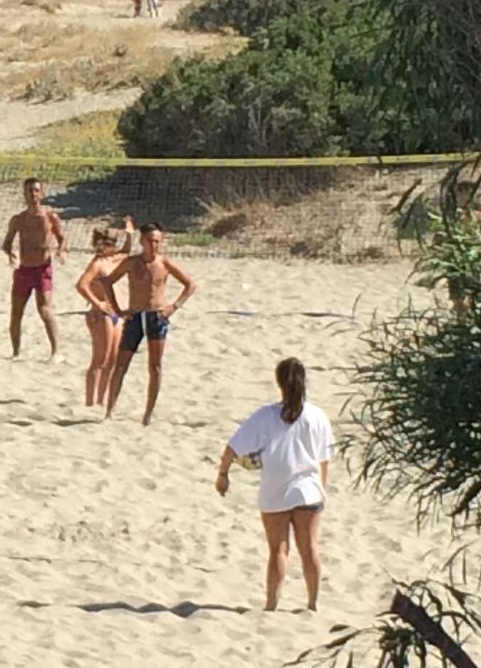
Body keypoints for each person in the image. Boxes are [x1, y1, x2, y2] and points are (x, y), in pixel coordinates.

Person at [217, 358, 333, 610]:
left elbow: (233, 448)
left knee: (278, 550)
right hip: (309, 490)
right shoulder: (317, 416)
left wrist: (223, 474)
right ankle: (313, 603)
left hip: (275, 491)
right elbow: (324, 459)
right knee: (309, 547)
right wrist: (322, 490)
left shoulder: (265, 416)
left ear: (279, 383)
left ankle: (271, 605)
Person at [103, 223, 198, 424]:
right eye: (150, 241)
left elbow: (190, 284)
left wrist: (174, 306)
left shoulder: (164, 263)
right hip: (135, 316)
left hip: (157, 317)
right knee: (121, 365)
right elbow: (108, 282)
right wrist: (118, 309)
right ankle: (109, 411)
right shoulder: (131, 262)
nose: (154, 245)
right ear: (142, 241)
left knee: (155, 366)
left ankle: (148, 414)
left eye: (157, 241)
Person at [1, 177, 66, 359]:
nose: (33, 194)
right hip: (24, 270)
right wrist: (10, 254)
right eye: (29, 190)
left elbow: (62, 238)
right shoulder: (18, 219)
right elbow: (7, 242)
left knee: (45, 310)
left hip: (42, 269)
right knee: (16, 313)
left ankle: (56, 352)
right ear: (24, 194)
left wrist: (61, 252)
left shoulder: (50, 217)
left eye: (36, 190)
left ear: (42, 193)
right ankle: (16, 352)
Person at [73, 219, 134, 407]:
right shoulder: (98, 263)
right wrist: (97, 303)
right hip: (101, 315)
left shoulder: (113, 259)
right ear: (103, 244)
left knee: (112, 361)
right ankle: (89, 401)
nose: (115, 246)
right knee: (100, 359)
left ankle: (100, 400)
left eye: (115, 243)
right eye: (111, 243)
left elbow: (126, 251)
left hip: (116, 314)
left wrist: (130, 234)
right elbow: (81, 285)